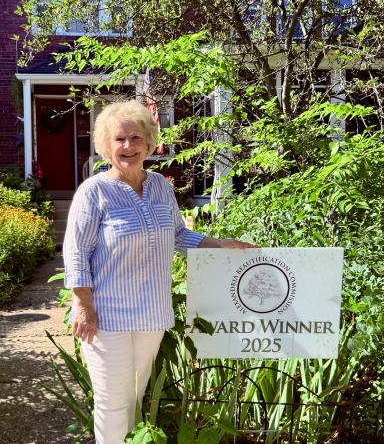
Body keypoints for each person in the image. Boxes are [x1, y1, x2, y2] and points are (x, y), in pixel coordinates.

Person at [62, 99, 254, 444]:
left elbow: (179, 235)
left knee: (134, 398)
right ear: (107, 146)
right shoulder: (94, 192)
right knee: (111, 402)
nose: (128, 147)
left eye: (135, 138)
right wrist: (83, 305)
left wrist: (221, 244)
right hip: (106, 317)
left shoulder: (161, 187)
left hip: (151, 314)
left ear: (149, 142)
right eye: (119, 140)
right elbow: (76, 253)